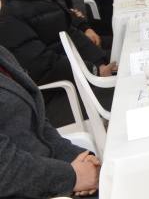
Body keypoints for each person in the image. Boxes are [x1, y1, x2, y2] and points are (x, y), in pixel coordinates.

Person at [0, 0, 116, 129]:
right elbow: (41, 67)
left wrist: (98, 65)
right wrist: (94, 71)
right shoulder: (6, 13)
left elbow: (70, 33)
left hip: (79, 79)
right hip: (57, 98)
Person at [0, 28, 102, 199]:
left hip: (46, 173)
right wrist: (72, 176)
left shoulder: (3, 55)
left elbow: (39, 126)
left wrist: (84, 161)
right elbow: (4, 169)